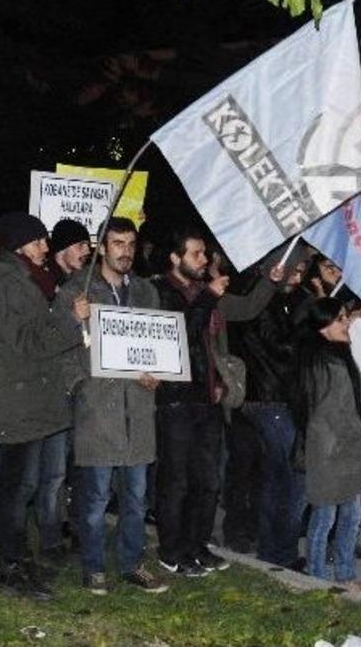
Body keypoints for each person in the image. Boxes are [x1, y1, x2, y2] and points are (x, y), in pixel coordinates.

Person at [0, 212, 88, 600]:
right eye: (38, 242)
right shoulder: (4, 281)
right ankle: (11, 567)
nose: (45, 248)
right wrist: (71, 320)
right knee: (16, 488)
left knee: (24, 484)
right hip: (16, 401)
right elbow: (29, 341)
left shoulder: (21, 278)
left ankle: (18, 558)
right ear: (19, 245)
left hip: (28, 398)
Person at [54, 217, 169, 595]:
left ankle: (132, 563)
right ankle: (93, 566)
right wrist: (75, 321)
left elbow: (158, 345)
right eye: (118, 243)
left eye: (131, 244)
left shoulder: (146, 294)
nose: (126, 252)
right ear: (102, 247)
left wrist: (157, 374)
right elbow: (56, 343)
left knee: (136, 497)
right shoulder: (78, 289)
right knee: (95, 498)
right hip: (98, 411)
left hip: (137, 409)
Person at [297, 297, 361, 591]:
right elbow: (340, 420)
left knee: (351, 517)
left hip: (345, 451)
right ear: (323, 327)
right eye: (339, 319)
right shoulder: (327, 366)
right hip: (330, 453)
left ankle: (346, 575)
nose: (346, 323)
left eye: (345, 317)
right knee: (325, 518)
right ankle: (317, 579)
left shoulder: (336, 356)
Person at [152, 227, 232, 577]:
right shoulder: (161, 290)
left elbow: (210, 345)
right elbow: (179, 334)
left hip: (205, 397)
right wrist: (208, 298)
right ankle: (172, 550)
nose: (204, 260)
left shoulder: (202, 292)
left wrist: (219, 381)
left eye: (204, 254)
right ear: (176, 258)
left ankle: (197, 545)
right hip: (176, 400)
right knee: (177, 481)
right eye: (196, 254)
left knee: (208, 480)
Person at [233, 258, 309, 568]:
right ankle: (281, 553)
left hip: (276, 398)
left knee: (278, 478)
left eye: (303, 270)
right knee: (291, 478)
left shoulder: (286, 301)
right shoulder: (264, 302)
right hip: (269, 398)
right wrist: (309, 329)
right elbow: (279, 348)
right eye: (295, 268)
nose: (298, 276)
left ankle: (274, 551)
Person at [48, 219, 91, 286]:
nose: (88, 251)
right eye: (81, 245)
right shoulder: (44, 282)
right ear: (62, 249)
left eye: (88, 245)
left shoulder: (86, 279)